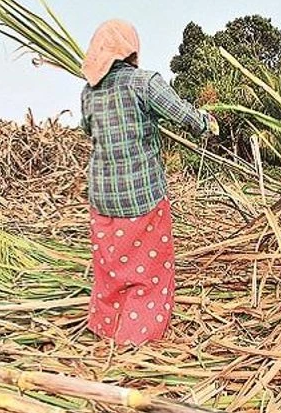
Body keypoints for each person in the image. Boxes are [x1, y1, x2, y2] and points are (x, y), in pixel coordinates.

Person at [80, 19, 219, 346]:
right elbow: (183, 114)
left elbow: (89, 130)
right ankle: (134, 337)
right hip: (141, 196)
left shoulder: (88, 92)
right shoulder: (145, 83)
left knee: (111, 268)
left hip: (102, 195)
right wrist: (205, 123)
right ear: (130, 50)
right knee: (148, 271)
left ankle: (106, 328)